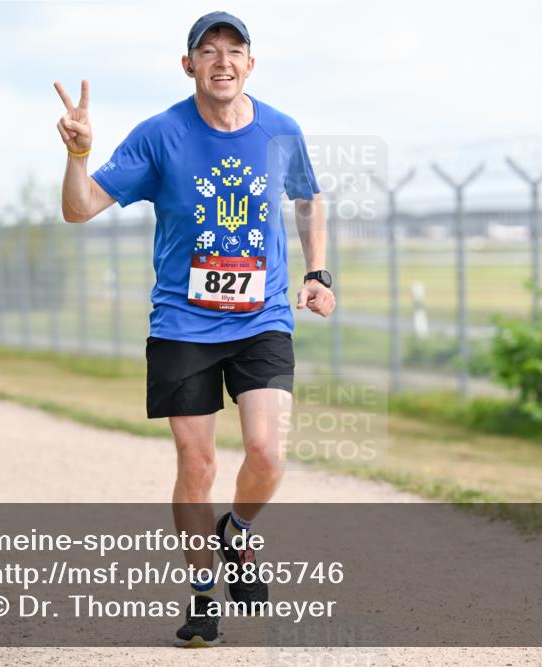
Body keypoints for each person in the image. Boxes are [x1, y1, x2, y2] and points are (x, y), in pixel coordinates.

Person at [54, 11, 335, 648]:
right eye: (208, 51)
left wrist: (317, 269)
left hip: (262, 317)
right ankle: (204, 592)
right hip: (183, 323)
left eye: (234, 50)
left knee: (266, 452)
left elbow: (309, 197)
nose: (222, 61)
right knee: (197, 462)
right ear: (189, 66)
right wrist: (77, 153)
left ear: (251, 65)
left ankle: (235, 531)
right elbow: (79, 208)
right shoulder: (160, 136)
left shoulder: (281, 130)